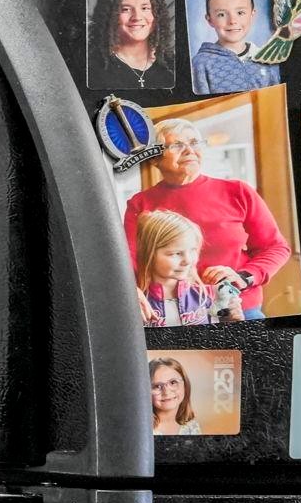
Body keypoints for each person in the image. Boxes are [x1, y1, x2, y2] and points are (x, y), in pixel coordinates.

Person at [123, 117, 291, 320]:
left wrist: (244, 277)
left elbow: (275, 247)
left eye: (194, 143)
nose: (189, 150)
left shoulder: (237, 191)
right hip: (171, 312)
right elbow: (129, 261)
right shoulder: (140, 204)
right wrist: (132, 291)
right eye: (177, 145)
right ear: (154, 158)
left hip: (238, 307)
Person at [190, 0, 281, 94]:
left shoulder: (267, 60)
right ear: (210, 20)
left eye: (240, 13)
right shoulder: (200, 64)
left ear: (252, 15)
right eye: (221, 14)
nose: (232, 21)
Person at [135, 210, 218, 325]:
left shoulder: (207, 295)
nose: (188, 260)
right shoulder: (135, 301)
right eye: (176, 253)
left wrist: (232, 321)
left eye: (193, 250)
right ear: (149, 253)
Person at [95, 0, 175, 89]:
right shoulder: (95, 68)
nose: (137, 17)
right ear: (110, 16)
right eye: (125, 9)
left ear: (157, 14)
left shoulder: (172, 65)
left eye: (145, 8)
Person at [150, 358, 202, 436]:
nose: (166, 392)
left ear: (185, 385)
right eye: (157, 386)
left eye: (173, 382)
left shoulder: (192, 426)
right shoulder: (144, 429)